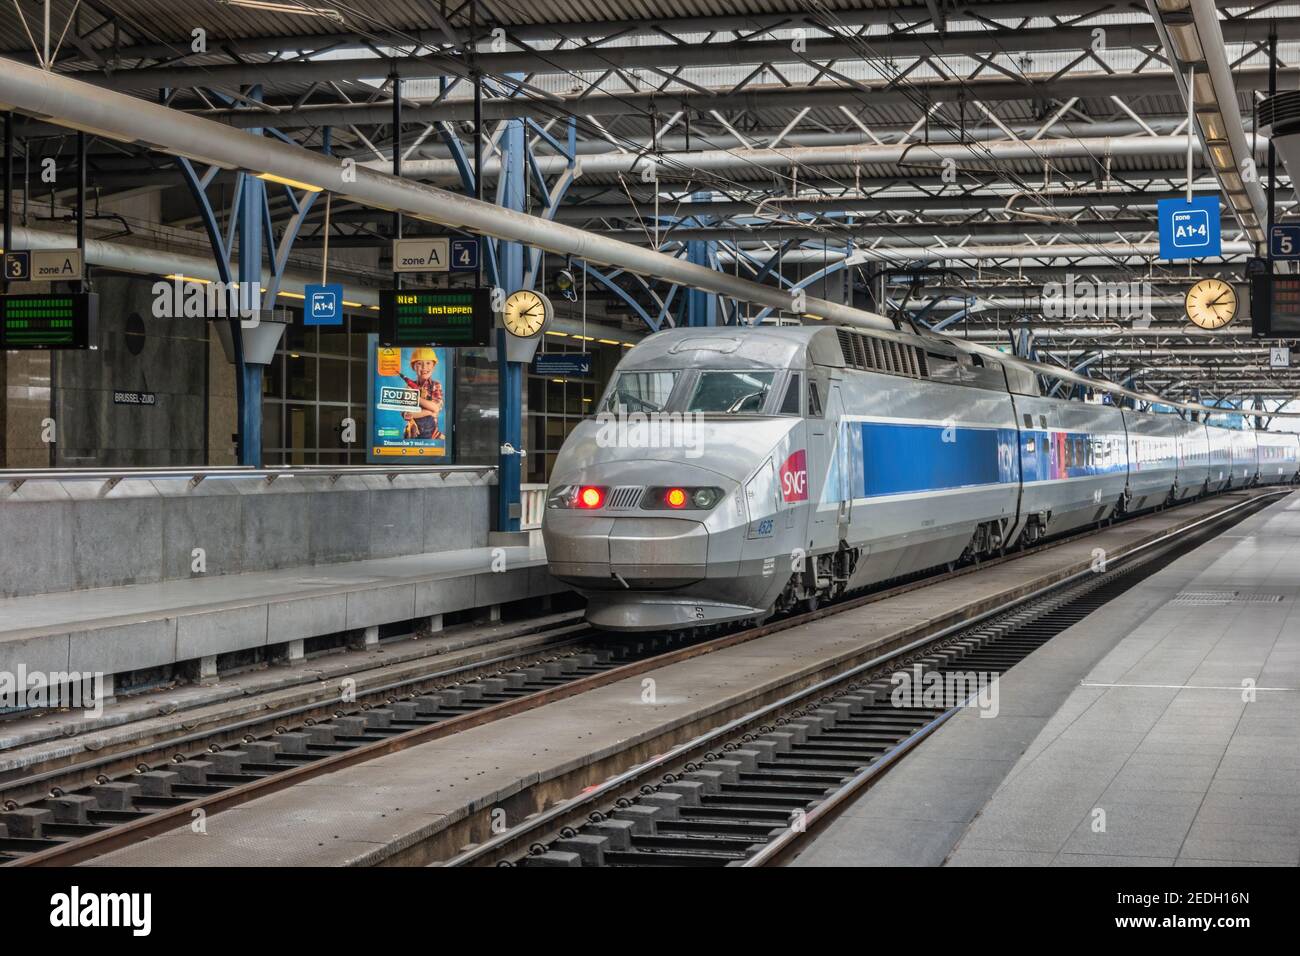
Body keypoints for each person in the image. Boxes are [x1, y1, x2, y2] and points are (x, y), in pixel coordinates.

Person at [399, 347, 444, 441]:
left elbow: (436, 407)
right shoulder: (408, 388)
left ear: (433, 366)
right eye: (419, 363)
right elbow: (406, 415)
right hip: (412, 436)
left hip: (432, 436)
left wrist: (416, 397)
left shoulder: (436, 385)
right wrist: (429, 412)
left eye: (428, 363)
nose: (424, 367)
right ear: (413, 367)